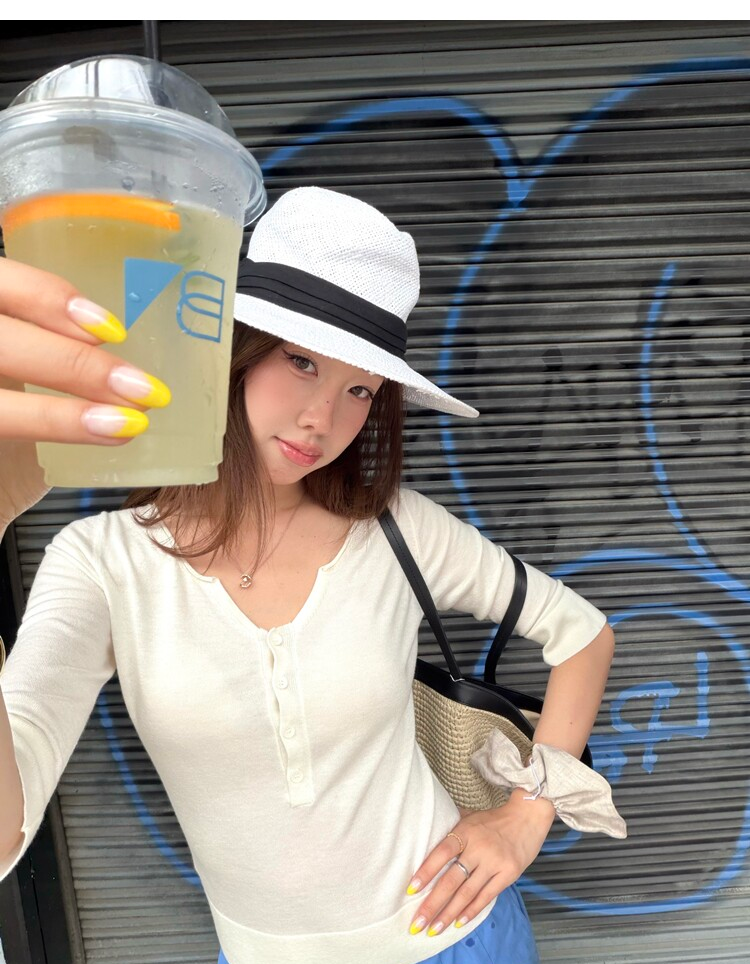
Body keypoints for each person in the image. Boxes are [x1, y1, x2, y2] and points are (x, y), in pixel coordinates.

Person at [0, 187, 622, 964]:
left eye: (360, 389)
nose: (322, 419)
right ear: (234, 348)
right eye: (301, 362)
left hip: (464, 940)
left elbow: (582, 633)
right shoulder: (103, 562)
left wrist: (527, 816)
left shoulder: (395, 529)